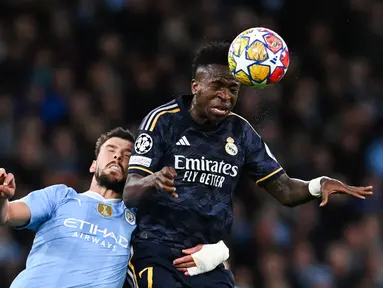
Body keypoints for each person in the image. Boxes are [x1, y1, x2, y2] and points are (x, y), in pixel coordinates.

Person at [123, 41, 374, 288]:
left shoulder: (241, 132)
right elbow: (130, 191)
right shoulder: (162, 121)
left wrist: (319, 184)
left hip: (207, 259)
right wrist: (152, 180)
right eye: (217, 86)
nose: (225, 96)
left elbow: (285, 190)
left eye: (233, 89)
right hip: (157, 251)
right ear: (196, 86)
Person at [0, 127, 228, 288]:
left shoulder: (141, 217)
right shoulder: (61, 196)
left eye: (128, 154)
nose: (118, 156)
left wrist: (218, 251)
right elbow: (7, 214)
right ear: (93, 164)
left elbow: (201, 244)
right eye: (110, 150)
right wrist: (1, 197)